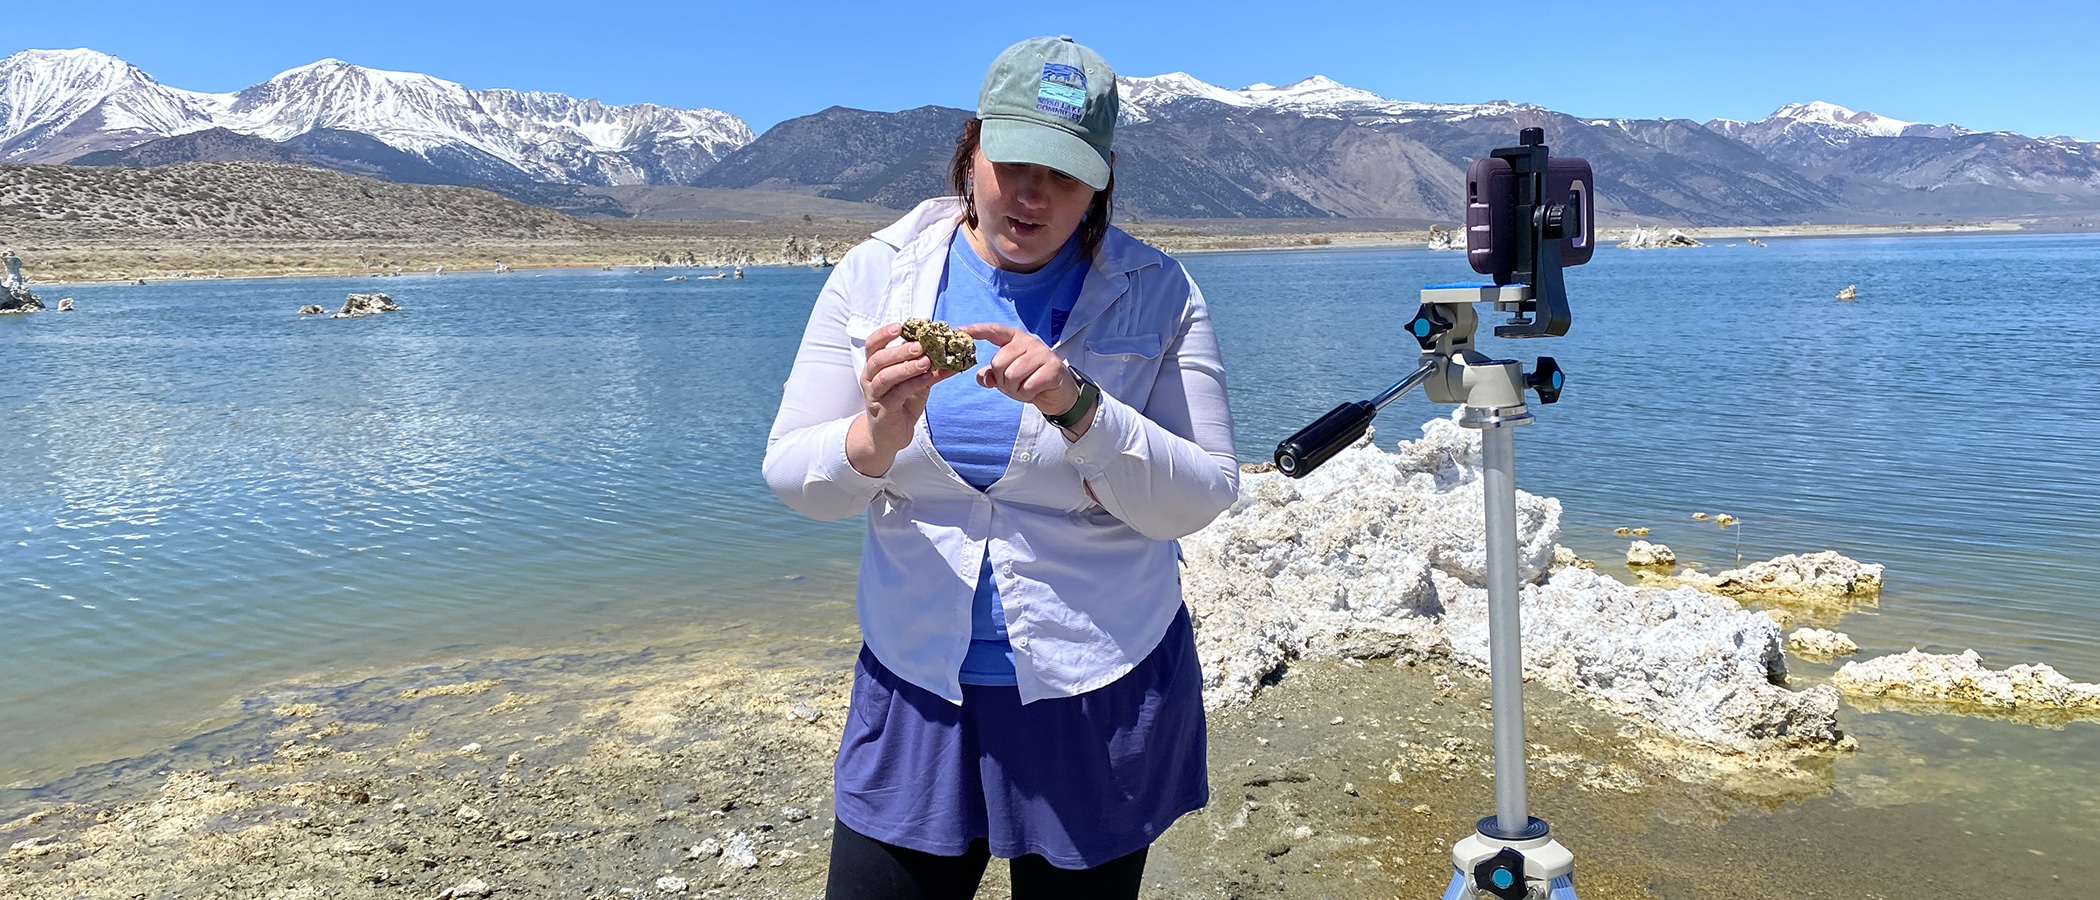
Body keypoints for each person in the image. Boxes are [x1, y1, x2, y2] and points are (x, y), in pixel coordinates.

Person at [762, 35, 1238, 900]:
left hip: (1100, 679)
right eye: (1013, 161)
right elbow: (793, 474)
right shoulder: (876, 274)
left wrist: (1079, 407)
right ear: (970, 149)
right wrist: (874, 437)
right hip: (918, 683)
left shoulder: (1160, 291)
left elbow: (1201, 496)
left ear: (1101, 178)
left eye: (1063, 173)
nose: (1031, 194)